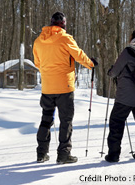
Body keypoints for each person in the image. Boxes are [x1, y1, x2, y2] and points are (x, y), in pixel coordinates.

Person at [33, 11, 97, 164]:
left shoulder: (38, 41)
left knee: (46, 120)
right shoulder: (65, 38)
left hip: (47, 87)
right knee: (66, 121)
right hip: (64, 86)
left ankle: (41, 153)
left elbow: (37, 63)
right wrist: (91, 64)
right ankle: (63, 154)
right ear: (63, 24)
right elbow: (79, 55)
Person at [105, 23, 135, 163]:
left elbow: (114, 72)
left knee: (116, 122)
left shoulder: (128, 51)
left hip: (125, 96)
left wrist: (110, 71)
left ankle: (113, 155)